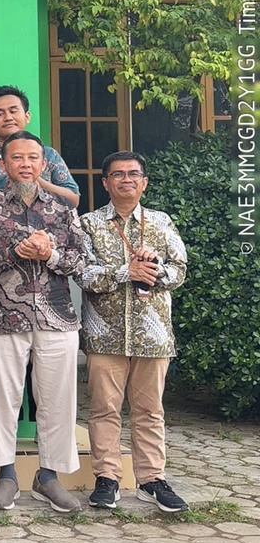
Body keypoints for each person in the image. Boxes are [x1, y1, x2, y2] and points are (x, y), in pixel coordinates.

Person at [0, 131, 86, 514]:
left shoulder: (63, 209)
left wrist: (50, 254)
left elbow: (81, 261)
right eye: (17, 158)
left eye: (32, 158)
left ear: (43, 164)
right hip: (3, 316)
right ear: (4, 165)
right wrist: (15, 251)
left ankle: (49, 476)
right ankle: (6, 475)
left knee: (57, 400)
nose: (25, 164)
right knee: (2, 398)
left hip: (57, 317)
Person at [77, 151, 189, 513]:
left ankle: (151, 480)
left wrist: (155, 270)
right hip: (104, 334)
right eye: (118, 174)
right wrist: (127, 272)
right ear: (105, 183)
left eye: (133, 174)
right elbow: (83, 274)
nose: (126, 180)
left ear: (144, 183)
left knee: (150, 410)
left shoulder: (161, 221)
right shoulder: (88, 224)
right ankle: (107, 478)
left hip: (152, 336)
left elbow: (180, 270)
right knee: (104, 408)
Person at [0, 85, 79, 213]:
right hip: (0, 225)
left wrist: (35, 180)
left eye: (13, 111)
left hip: (48, 224)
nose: (8, 118)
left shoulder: (49, 154)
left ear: (27, 116)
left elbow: (73, 199)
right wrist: (9, 191)